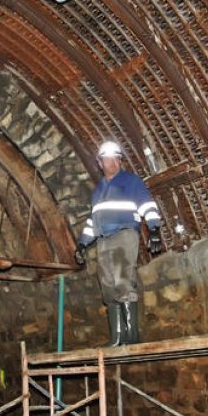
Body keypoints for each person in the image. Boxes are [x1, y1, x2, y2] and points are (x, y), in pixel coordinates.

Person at [74, 141, 164, 346]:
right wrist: (82, 244)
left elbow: (146, 204)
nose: (112, 162)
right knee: (107, 287)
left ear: (120, 161)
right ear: (99, 163)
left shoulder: (131, 181)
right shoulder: (97, 191)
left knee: (123, 280)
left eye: (116, 158)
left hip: (124, 235)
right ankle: (117, 337)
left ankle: (131, 336)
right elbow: (92, 221)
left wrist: (154, 228)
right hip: (103, 240)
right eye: (107, 159)